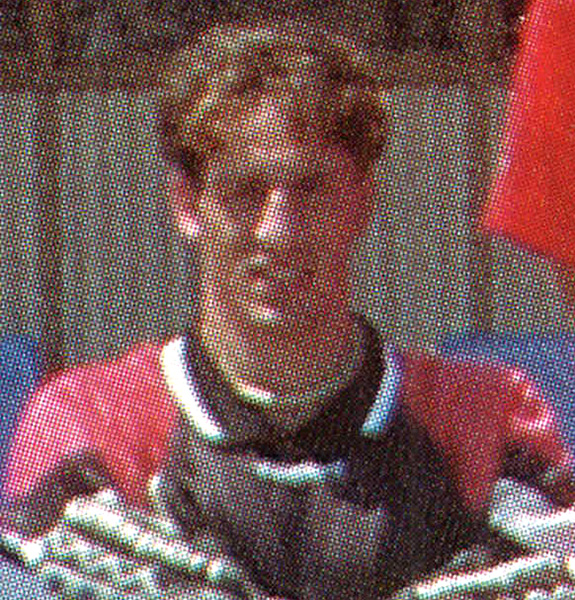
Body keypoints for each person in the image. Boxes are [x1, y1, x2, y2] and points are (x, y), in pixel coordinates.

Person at [2, 20, 574, 600]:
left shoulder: (486, 418)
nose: (278, 231)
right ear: (186, 205)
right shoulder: (91, 424)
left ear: (364, 200)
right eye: (245, 192)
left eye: (311, 189)